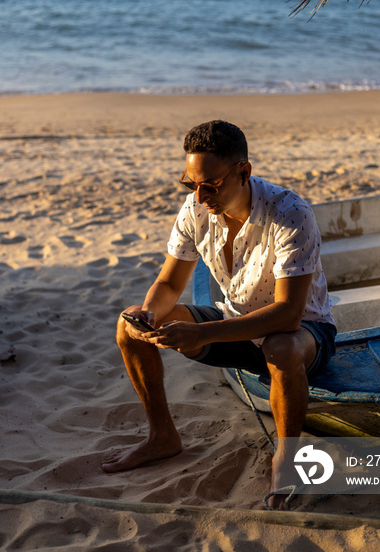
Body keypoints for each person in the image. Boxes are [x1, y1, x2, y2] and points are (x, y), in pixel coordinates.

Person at [101, 120, 336, 509]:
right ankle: (162, 437)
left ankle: (287, 457)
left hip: (304, 333)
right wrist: (148, 315)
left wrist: (204, 335)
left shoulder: (291, 213)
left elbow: (288, 315)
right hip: (234, 320)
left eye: (210, 185)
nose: (199, 194)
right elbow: (169, 285)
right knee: (128, 326)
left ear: (244, 172)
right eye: (190, 183)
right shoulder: (196, 208)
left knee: (280, 347)